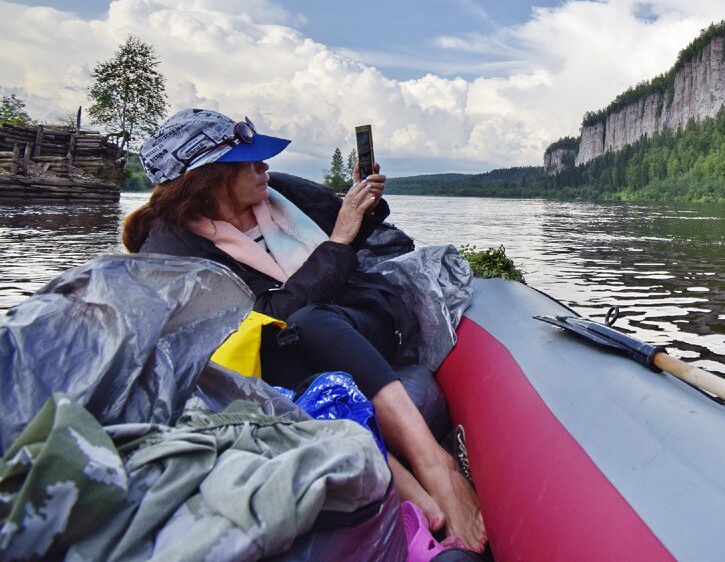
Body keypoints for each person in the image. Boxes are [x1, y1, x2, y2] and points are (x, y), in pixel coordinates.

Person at [123, 108, 486, 553]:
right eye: (251, 161)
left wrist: (361, 204)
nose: (264, 168)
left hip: (362, 317)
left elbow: (356, 231)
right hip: (281, 347)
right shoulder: (173, 248)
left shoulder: (281, 192)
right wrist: (336, 242)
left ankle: (437, 464)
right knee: (291, 344)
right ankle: (405, 489)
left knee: (309, 322)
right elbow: (255, 319)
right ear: (209, 177)